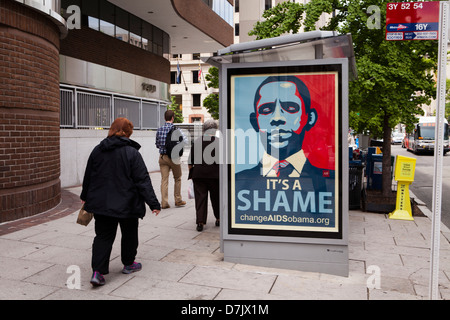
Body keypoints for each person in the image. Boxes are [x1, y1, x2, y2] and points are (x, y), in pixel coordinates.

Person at [80, 117, 161, 287]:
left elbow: (89, 176)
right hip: (127, 202)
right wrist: (153, 203)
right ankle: (129, 263)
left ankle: (98, 272)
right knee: (129, 233)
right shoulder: (132, 153)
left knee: (103, 236)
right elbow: (142, 180)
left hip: (102, 203)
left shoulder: (98, 150)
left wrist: (85, 195)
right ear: (128, 133)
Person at [188, 120, 220, 231]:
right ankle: (219, 218)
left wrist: (192, 173)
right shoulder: (219, 142)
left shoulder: (197, 142)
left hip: (199, 174)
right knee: (216, 197)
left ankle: (200, 222)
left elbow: (190, 162)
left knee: (200, 198)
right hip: (216, 175)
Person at [155, 110, 187, 209]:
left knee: (164, 179)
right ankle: (178, 200)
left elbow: (157, 144)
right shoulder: (177, 130)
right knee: (177, 178)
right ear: (172, 118)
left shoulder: (159, 130)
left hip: (162, 157)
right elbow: (184, 141)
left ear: (165, 118)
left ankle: (164, 202)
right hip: (174, 158)